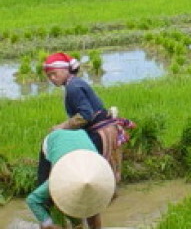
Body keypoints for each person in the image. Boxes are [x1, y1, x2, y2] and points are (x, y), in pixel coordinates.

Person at [39, 52, 135, 186]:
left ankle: (47, 188)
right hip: (104, 129)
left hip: (101, 133)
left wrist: (61, 126)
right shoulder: (75, 83)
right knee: (106, 174)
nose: (52, 78)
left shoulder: (73, 88)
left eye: (54, 73)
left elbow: (86, 115)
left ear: (66, 70)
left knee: (87, 167)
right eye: (49, 76)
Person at [26, 129, 115, 229]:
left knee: (92, 207)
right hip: (55, 139)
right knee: (47, 202)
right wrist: (48, 223)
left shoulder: (96, 179)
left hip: (82, 139)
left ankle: (75, 223)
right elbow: (32, 200)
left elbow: (95, 210)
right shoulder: (57, 181)